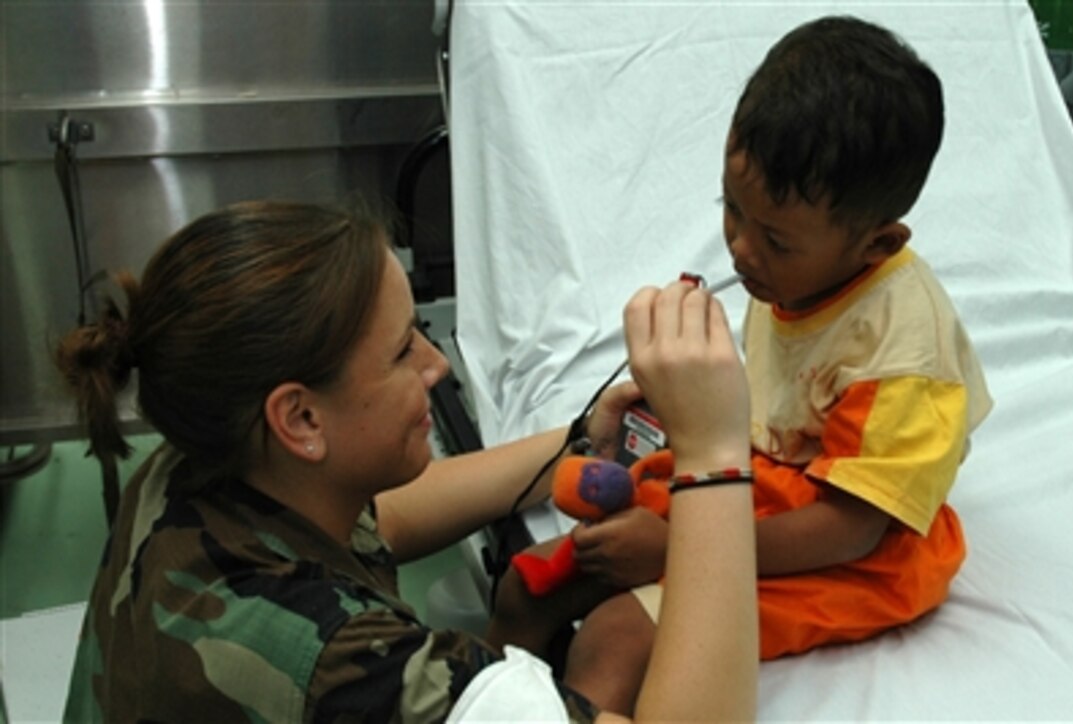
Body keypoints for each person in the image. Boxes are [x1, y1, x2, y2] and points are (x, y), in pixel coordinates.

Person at [55, 199, 758, 722]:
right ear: (300, 418)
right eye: (401, 351)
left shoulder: (191, 466)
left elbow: (378, 517)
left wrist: (573, 443)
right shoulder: (363, 673)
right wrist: (714, 454)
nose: (436, 363)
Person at [487, 14, 994, 714]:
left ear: (877, 246)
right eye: (732, 211)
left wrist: (675, 549)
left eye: (776, 240)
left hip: (849, 551)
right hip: (759, 489)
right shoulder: (793, 273)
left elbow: (852, 527)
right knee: (525, 587)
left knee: (616, 638)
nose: (742, 251)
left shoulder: (906, 356)